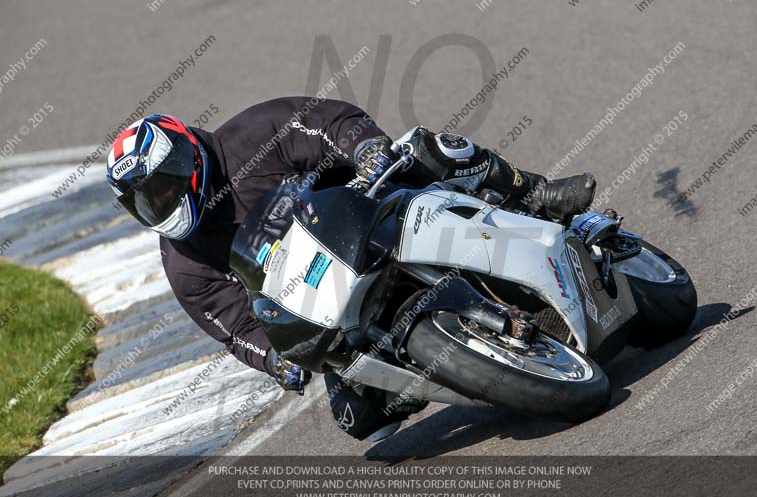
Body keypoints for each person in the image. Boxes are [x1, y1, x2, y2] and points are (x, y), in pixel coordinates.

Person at [105, 97, 596, 441]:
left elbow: (331, 122)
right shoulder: (184, 262)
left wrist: (365, 149)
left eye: (164, 190)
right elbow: (235, 328)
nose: (161, 205)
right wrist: (275, 360)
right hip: (328, 303)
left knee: (426, 148)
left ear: (187, 159)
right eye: (146, 203)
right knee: (362, 421)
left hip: (373, 215)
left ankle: (534, 194)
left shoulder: (254, 133)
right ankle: (441, 368)